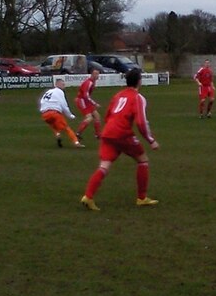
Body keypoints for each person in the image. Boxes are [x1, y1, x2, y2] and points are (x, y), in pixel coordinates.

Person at [81, 68, 160, 211]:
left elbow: (107, 115)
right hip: (122, 133)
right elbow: (141, 122)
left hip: (108, 132)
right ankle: (142, 198)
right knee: (143, 160)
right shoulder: (138, 97)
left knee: (104, 165)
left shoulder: (118, 95)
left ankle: (88, 196)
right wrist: (151, 140)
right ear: (139, 81)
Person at [40, 79, 84, 148]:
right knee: (67, 128)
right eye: (62, 84)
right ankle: (76, 142)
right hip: (54, 113)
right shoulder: (59, 92)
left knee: (54, 126)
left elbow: (42, 101)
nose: (64, 86)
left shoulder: (48, 91)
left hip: (45, 114)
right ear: (57, 84)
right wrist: (70, 115)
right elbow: (64, 105)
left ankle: (58, 135)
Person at [75, 68, 102, 140]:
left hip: (85, 100)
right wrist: (95, 103)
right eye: (95, 74)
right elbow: (85, 95)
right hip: (81, 100)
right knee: (89, 117)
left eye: (98, 74)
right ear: (92, 74)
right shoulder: (89, 83)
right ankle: (78, 133)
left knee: (97, 116)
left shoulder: (92, 82)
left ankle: (98, 134)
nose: (97, 75)